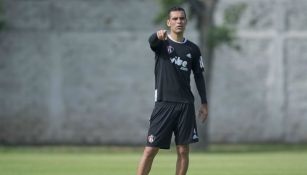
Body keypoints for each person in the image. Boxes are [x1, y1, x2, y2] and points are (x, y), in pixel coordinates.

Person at [136, 6, 208, 175]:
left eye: (182, 18)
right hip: (164, 104)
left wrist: (204, 103)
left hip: (185, 106)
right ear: (168, 22)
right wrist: (156, 35)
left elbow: (198, 76)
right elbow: (151, 41)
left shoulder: (193, 49)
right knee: (150, 150)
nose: (178, 21)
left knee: (183, 151)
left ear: (186, 22)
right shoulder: (162, 43)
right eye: (175, 19)